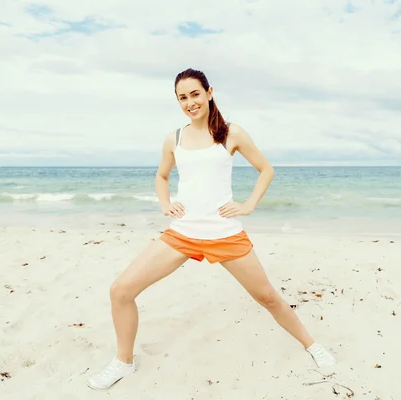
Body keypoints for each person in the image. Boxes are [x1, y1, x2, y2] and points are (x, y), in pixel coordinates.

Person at [87, 68, 336, 391]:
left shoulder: (231, 133)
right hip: (183, 233)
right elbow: (162, 176)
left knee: (268, 297)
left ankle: (312, 345)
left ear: (209, 92)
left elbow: (266, 170)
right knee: (120, 291)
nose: (190, 102)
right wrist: (166, 204)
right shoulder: (173, 139)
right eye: (182, 97)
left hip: (225, 234)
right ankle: (123, 362)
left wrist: (248, 206)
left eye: (194, 94)